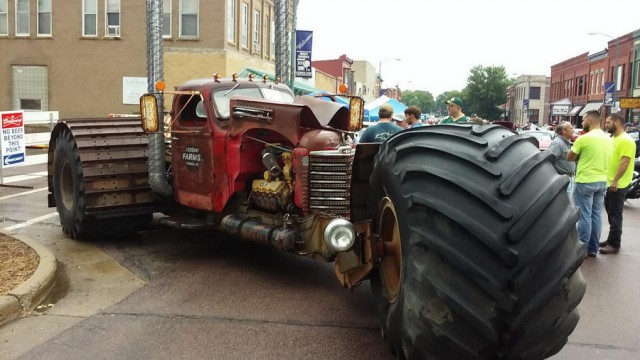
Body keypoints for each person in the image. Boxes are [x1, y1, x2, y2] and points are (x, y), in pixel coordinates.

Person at [567, 110, 613, 258]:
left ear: (591, 121)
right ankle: (593, 248)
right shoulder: (608, 139)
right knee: (596, 216)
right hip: (602, 180)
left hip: (585, 180)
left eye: (584, 120)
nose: (582, 122)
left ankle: (582, 249)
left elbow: (570, 157)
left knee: (584, 215)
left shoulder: (584, 139)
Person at [600, 114, 637, 255]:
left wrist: (615, 180)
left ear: (617, 122)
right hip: (609, 181)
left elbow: (625, 162)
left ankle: (614, 244)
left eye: (608, 122)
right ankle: (611, 239)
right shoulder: (613, 138)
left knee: (615, 213)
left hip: (619, 183)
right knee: (610, 211)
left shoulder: (626, 140)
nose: (606, 124)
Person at [548, 121, 576, 194]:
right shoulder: (557, 143)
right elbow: (549, 161)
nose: (573, 130)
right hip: (563, 179)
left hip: (570, 178)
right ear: (564, 131)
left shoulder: (566, 143)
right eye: (571, 128)